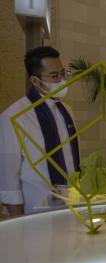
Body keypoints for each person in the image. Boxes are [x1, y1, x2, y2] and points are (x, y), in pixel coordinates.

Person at [0, 46, 80, 216]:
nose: (61, 80)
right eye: (54, 76)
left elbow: (71, 159)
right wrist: (18, 222)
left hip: (72, 204)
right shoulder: (14, 116)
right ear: (35, 81)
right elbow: (8, 178)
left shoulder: (67, 111)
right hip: (35, 209)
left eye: (63, 74)